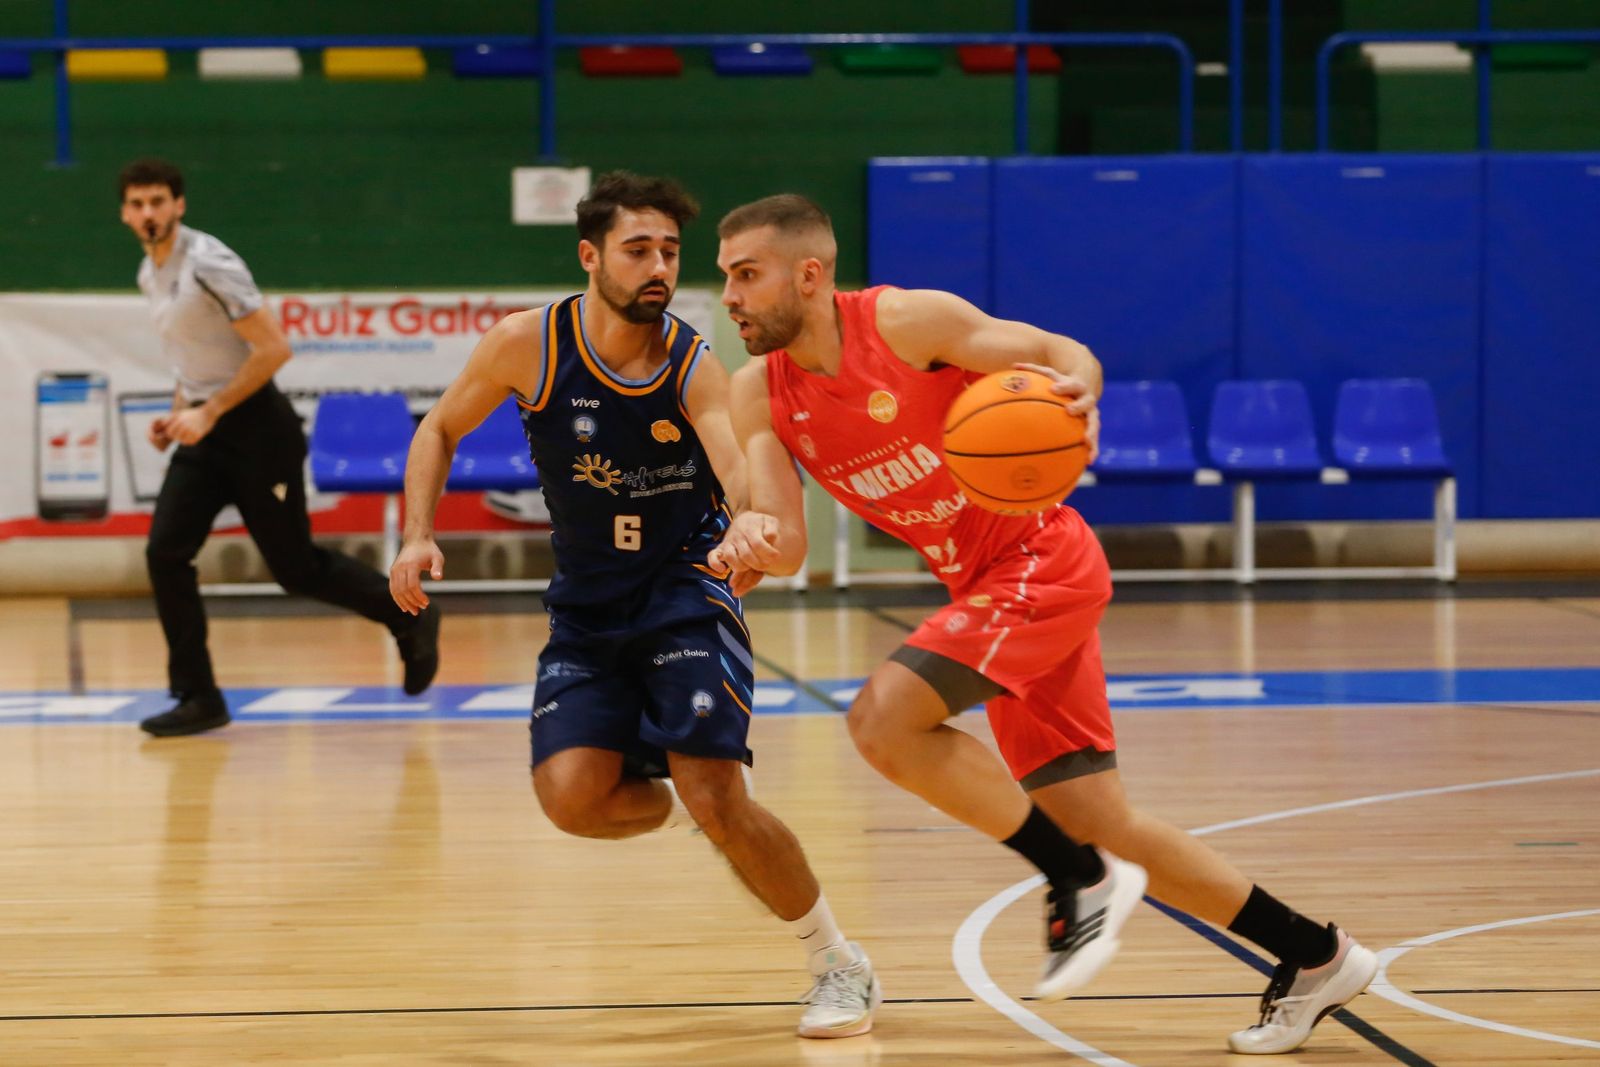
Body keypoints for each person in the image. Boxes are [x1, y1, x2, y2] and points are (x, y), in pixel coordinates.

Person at [709, 194, 1378, 1056]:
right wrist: (748, 541)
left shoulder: (908, 323)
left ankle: (1072, 874)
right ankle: (1316, 955)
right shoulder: (758, 389)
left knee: (883, 719)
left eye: (746, 273)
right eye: (726, 276)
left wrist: (1080, 390)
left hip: (1041, 559)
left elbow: (1063, 352)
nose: (730, 294)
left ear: (810, 273)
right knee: (1099, 813)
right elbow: (788, 539)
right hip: (982, 586)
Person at [388, 172, 880, 1040]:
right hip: (586, 607)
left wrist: (749, 522)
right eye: (638, 250)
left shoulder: (691, 361)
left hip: (684, 590)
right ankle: (688, 785)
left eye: (670, 253)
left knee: (718, 796)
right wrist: (416, 533)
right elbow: (437, 429)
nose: (659, 267)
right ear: (590, 257)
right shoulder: (528, 345)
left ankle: (836, 960)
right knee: (573, 799)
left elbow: (733, 459)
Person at [120, 158, 440, 738]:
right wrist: (177, 414)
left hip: (258, 433)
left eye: (158, 202)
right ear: (125, 212)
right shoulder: (150, 272)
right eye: (138, 204)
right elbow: (194, 361)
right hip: (206, 432)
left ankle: (408, 616)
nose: (148, 213)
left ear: (179, 205)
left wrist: (210, 411)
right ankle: (199, 696)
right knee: (165, 553)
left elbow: (273, 349)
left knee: (295, 568)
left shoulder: (209, 264)